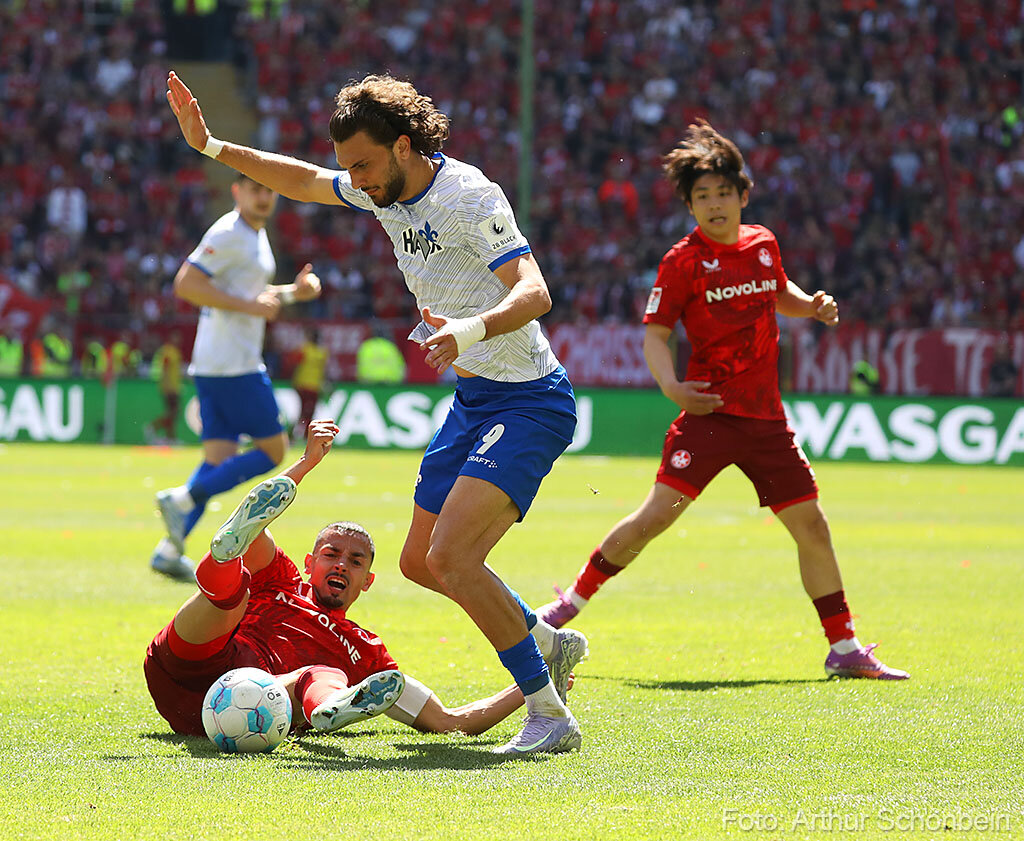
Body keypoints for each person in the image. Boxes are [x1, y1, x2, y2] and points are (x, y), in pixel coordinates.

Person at [167, 70, 587, 753]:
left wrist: (469, 330)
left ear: (403, 146)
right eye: (349, 168)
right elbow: (304, 179)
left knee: (453, 557)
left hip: (530, 399)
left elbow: (534, 292)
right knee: (421, 561)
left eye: (361, 165)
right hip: (475, 399)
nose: (354, 181)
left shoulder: (470, 195)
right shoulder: (380, 189)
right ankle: (547, 640)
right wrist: (212, 146)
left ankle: (549, 713)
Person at [537, 121, 908, 681]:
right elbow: (655, 335)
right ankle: (568, 606)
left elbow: (779, 292)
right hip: (708, 414)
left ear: (743, 195)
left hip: (766, 421)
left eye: (723, 193)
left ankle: (844, 647)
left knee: (812, 527)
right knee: (653, 520)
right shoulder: (682, 261)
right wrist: (672, 388)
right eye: (703, 196)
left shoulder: (763, 245)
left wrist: (811, 306)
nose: (714, 204)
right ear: (690, 206)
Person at [145, 420, 580, 743]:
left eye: (354, 562)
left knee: (321, 673)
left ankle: (330, 705)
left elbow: (450, 721)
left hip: (261, 699)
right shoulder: (283, 580)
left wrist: (533, 688)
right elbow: (255, 533)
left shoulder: (366, 651)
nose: (341, 566)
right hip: (193, 663)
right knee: (234, 581)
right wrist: (305, 463)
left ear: (367, 581)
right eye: (331, 555)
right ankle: (221, 563)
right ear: (309, 563)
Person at [151, 170, 323, 581]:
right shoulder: (229, 232)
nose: (263, 197)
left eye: (269, 190)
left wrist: (291, 292)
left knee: (218, 460)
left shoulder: (253, 234)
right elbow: (186, 285)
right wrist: (251, 308)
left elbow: (250, 294)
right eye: (255, 189)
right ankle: (184, 498)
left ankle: (169, 550)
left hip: (215, 361)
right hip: (234, 363)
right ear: (237, 191)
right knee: (274, 450)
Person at [290, 326, 328, 444]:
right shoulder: (321, 352)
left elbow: (294, 365)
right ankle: (299, 436)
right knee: (306, 412)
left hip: (307, 385)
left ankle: (300, 437)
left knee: (306, 412)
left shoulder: (305, 349)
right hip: (309, 385)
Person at [146, 333, 184, 445]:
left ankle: (170, 437)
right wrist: (167, 385)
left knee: (172, 413)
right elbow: (165, 368)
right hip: (169, 387)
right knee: (173, 412)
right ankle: (153, 426)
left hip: (174, 386)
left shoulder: (173, 351)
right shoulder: (168, 351)